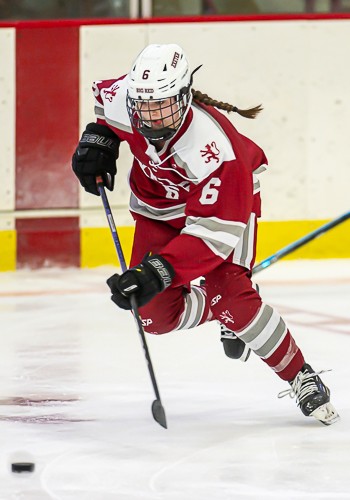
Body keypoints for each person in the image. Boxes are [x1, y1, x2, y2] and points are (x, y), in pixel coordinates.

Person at [72, 43, 339, 425]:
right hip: (159, 210)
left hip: (224, 211)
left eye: (161, 106)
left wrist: (158, 272)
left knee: (228, 291)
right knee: (150, 314)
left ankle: (299, 374)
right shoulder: (127, 98)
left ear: (183, 97)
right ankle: (233, 310)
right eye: (143, 106)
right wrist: (99, 140)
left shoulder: (216, 152)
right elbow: (106, 111)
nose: (150, 116)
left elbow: (213, 235)